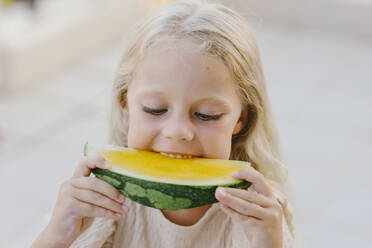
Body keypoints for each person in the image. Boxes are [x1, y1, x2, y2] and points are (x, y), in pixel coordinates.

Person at [32, 1, 297, 247]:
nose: (177, 132)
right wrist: (57, 235)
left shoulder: (260, 217)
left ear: (241, 119)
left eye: (206, 115)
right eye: (155, 109)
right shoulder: (102, 202)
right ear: (126, 105)